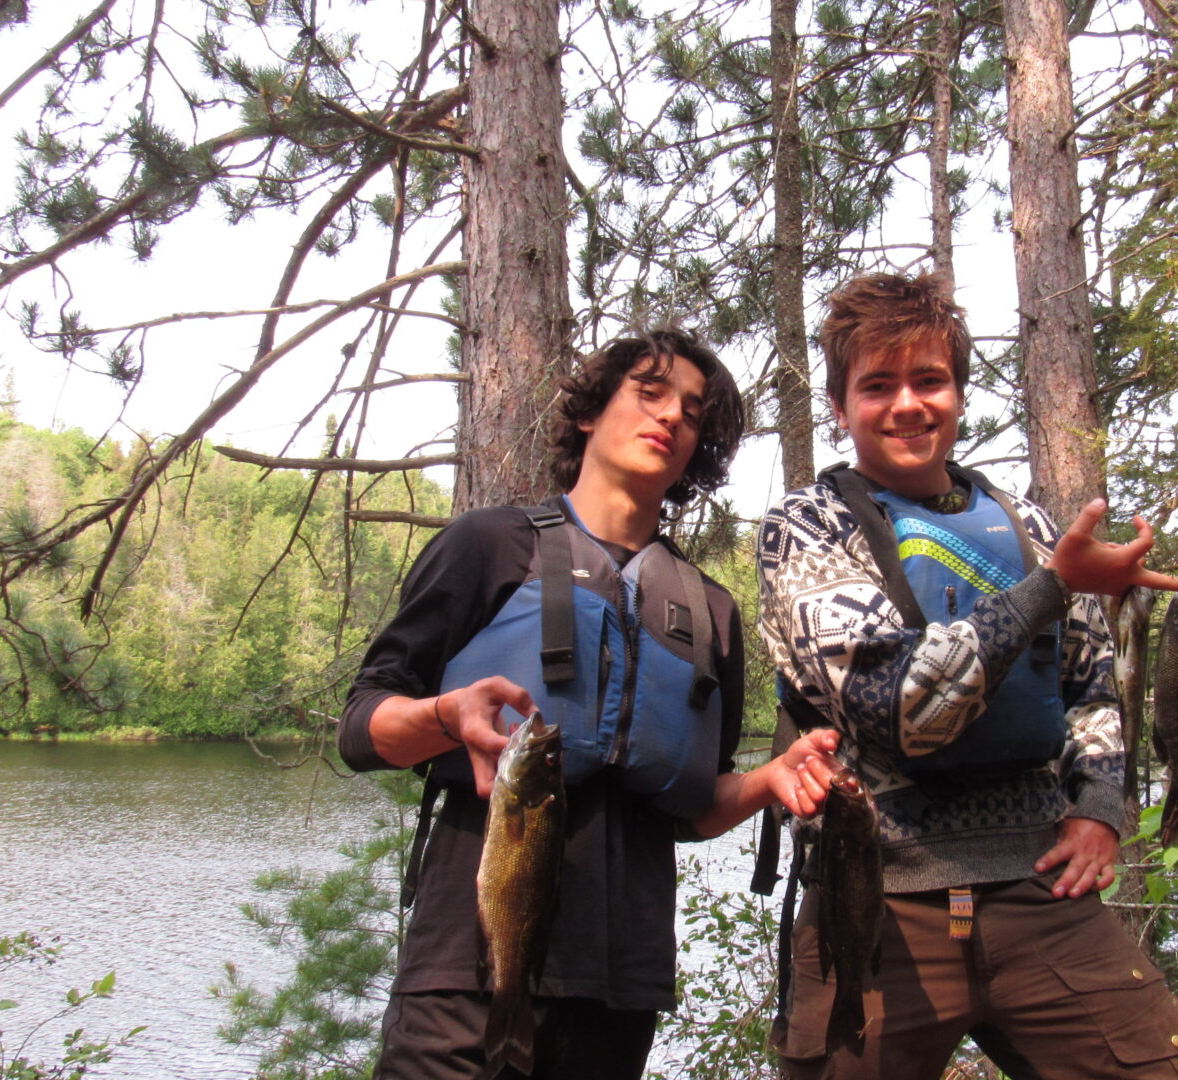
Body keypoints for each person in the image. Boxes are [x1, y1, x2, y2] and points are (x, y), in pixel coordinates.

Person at [756, 271, 1178, 1079]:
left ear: (960, 394)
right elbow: (901, 707)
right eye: (877, 385)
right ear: (840, 409)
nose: (908, 403)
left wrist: (1101, 807)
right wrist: (1050, 588)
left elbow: (1090, 683)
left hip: (1044, 897)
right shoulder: (805, 528)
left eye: (929, 380)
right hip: (873, 905)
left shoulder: (1030, 523)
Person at [342, 329, 839, 1080]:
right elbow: (361, 725)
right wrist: (445, 716)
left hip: (619, 989)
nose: (671, 416)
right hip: (466, 973)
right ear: (589, 414)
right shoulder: (488, 546)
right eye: (649, 393)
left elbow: (689, 808)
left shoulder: (709, 612)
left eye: (693, 412)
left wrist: (769, 783)